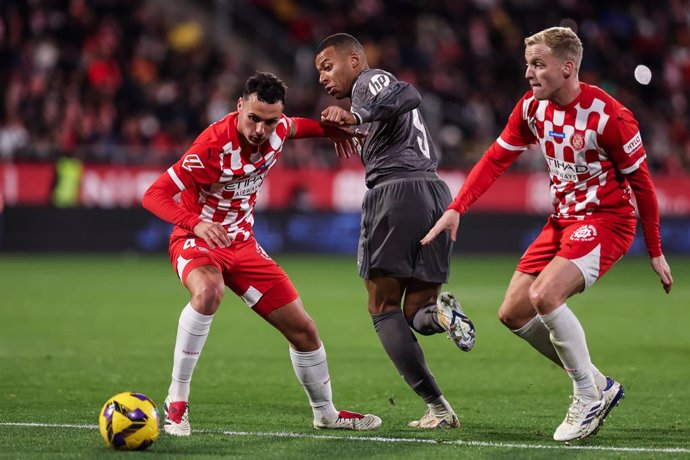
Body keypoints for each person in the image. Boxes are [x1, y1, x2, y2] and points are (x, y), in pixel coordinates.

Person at [422, 26, 673, 442]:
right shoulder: (531, 109)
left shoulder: (611, 117)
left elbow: (643, 185)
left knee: (545, 296)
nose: (529, 73)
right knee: (513, 313)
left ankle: (586, 396)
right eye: (527, 64)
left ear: (567, 68)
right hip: (561, 221)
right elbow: (495, 159)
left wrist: (656, 250)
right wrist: (456, 208)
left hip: (607, 221)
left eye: (538, 65)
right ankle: (599, 385)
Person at [142, 72, 381, 436]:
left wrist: (327, 130)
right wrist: (195, 223)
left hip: (243, 245)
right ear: (240, 106)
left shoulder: (278, 128)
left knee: (304, 331)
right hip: (198, 240)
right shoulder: (211, 147)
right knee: (208, 292)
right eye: (253, 118)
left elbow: (296, 126)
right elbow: (154, 194)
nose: (260, 129)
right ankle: (177, 401)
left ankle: (326, 414)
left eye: (269, 121)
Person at [314, 33, 476, 429]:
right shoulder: (366, 102)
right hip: (435, 193)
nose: (322, 77)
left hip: (396, 194)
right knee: (416, 311)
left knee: (382, 308)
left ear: (354, 60)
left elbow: (408, 94)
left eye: (328, 66)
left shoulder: (371, 81)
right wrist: (354, 122)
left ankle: (438, 407)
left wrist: (355, 116)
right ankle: (442, 315)